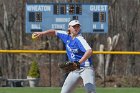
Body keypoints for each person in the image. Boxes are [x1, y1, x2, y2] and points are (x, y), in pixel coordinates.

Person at [33, 20, 96, 93]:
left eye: (78, 26)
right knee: (64, 92)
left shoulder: (79, 39)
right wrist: (42, 33)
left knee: (90, 91)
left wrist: (79, 62)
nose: (76, 28)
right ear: (69, 28)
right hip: (75, 69)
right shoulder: (66, 35)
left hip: (86, 68)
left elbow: (89, 51)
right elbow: (54, 32)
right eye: (74, 26)